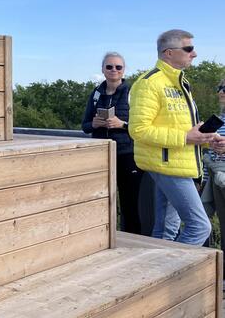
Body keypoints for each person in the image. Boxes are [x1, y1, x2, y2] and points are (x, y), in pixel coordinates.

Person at [129, 29, 225, 244]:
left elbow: (180, 126)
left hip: (178, 162)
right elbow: (138, 130)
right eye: (188, 48)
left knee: (166, 229)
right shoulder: (148, 83)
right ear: (169, 53)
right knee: (200, 227)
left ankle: (157, 270)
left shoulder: (179, 82)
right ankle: (176, 274)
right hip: (168, 165)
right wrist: (185, 137)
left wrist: (207, 139)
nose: (194, 53)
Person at [81, 52, 146, 235]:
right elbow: (85, 126)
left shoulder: (133, 94)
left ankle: (133, 241)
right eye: (109, 66)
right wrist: (93, 124)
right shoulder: (96, 94)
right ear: (103, 69)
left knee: (129, 204)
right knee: (101, 201)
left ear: (124, 70)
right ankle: (102, 238)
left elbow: (143, 127)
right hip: (101, 155)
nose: (113, 70)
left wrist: (122, 124)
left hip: (127, 155)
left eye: (118, 67)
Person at [200, 79, 225, 249]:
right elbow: (208, 153)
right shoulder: (219, 119)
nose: (221, 92)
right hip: (217, 179)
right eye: (220, 88)